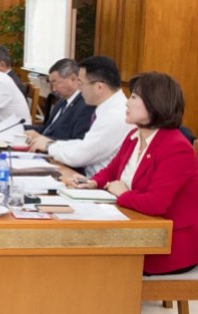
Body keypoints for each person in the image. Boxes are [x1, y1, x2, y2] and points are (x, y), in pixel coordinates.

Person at [65, 72, 198, 275]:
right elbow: (112, 170)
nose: (127, 103)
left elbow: (156, 203)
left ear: (155, 104)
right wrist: (93, 182)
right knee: (75, 253)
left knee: (86, 263)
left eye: (134, 97)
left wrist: (123, 194)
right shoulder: (134, 136)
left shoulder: (176, 147)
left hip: (166, 247)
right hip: (134, 229)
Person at [29, 56, 131, 176]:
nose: (79, 89)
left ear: (99, 87)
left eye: (81, 83)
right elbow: (83, 145)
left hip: (95, 182)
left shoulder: (115, 116)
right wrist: (51, 144)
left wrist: (48, 146)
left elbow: (81, 155)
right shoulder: (107, 107)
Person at [26, 58, 95, 142]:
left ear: (73, 79)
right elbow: (47, 129)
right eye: (51, 83)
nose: (53, 89)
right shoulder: (62, 101)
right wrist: (20, 128)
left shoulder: (86, 106)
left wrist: (43, 140)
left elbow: (77, 142)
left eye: (55, 82)